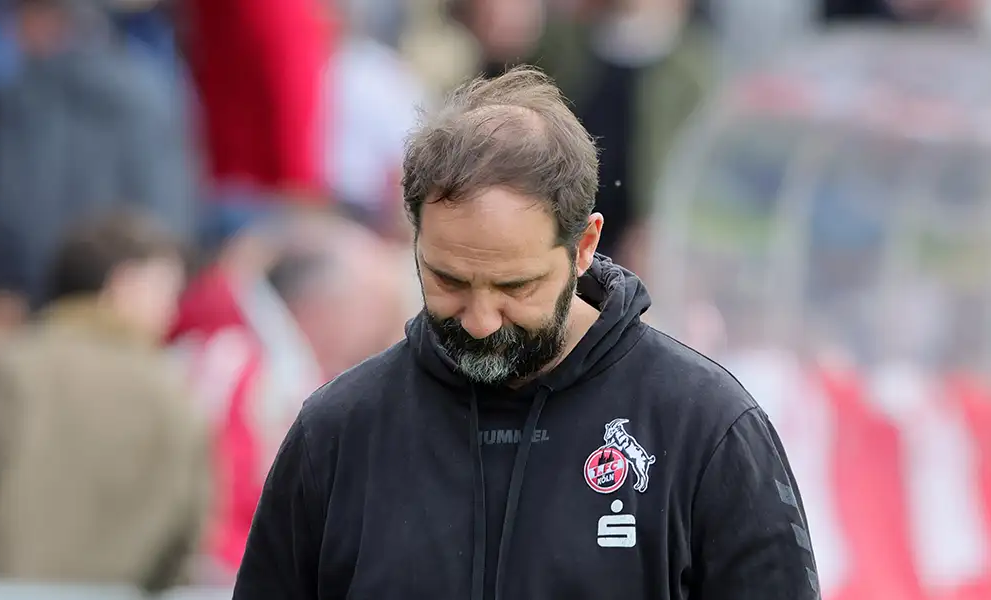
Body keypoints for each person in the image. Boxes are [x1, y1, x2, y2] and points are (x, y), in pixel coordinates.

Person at [233, 66, 820, 600]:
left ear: (585, 246)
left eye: (515, 287)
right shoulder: (338, 432)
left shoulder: (705, 427)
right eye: (448, 280)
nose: (480, 319)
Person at [0, 211, 211, 593]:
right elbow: (183, 550)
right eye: (167, 292)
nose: (173, 312)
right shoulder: (177, 400)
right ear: (123, 284)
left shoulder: (1, 367)